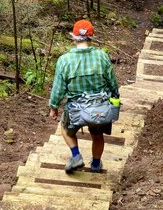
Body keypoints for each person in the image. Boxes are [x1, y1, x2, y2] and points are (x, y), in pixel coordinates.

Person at [49, 19, 119, 174]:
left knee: (66, 129)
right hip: (99, 107)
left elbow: (58, 88)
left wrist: (54, 107)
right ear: (91, 36)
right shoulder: (102, 56)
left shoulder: (64, 60)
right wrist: (115, 97)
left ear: (74, 37)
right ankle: (95, 164)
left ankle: (76, 156)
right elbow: (112, 82)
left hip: (76, 110)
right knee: (97, 134)